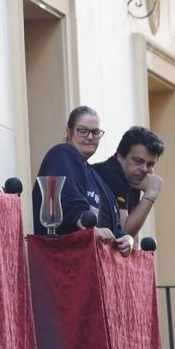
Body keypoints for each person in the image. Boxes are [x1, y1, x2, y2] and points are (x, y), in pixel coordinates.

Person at [32, 106, 134, 255]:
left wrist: (126, 239)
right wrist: (85, 222)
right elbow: (69, 200)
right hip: (63, 261)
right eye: (82, 131)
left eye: (95, 132)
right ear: (69, 132)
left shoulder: (94, 175)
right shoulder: (61, 154)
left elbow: (111, 224)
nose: (90, 137)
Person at [94, 126, 164, 238]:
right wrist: (151, 193)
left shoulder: (132, 176)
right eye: (138, 161)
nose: (145, 169)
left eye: (150, 164)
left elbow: (133, 242)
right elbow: (124, 233)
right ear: (120, 156)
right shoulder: (112, 173)